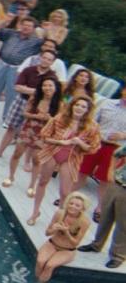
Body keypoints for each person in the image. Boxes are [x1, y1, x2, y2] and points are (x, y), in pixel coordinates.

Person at [28, 96, 101, 224]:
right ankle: (35, 212)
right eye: (77, 105)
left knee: (65, 192)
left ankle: (58, 219)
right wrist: (61, 142)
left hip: (71, 158)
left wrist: (79, 143)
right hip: (53, 152)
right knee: (43, 182)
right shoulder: (60, 118)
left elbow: (94, 148)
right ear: (72, 105)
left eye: (83, 106)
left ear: (88, 110)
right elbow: (44, 136)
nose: (79, 108)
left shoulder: (92, 126)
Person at [0, 50, 59, 159]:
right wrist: (38, 91)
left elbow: (51, 93)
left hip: (38, 105)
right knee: (11, 127)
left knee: (32, 133)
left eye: (49, 59)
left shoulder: (52, 77)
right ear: (40, 58)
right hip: (21, 100)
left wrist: (28, 89)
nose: (46, 61)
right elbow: (17, 87)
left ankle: (26, 161)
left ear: (52, 62)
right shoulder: (29, 70)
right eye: (44, 58)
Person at [76, 92, 126, 233]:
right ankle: (68, 197)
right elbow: (93, 120)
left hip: (115, 149)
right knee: (82, 171)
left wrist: (124, 135)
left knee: (105, 180)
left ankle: (99, 209)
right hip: (97, 142)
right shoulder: (107, 103)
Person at [25, 192, 91, 283]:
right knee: (40, 261)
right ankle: (39, 282)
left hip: (68, 250)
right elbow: (47, 233)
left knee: (50, 265)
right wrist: (54, 229)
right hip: (52, 243)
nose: (73, 207)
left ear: (82, 208)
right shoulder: (60, 214)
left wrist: (67, 232)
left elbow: (75, 243)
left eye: (77, 205)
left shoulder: (84, 222)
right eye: (71, 203)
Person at [2, 77, 60, 189]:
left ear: (55, 88)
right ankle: (11, 176)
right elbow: (25, 113)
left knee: (36, 160)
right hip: (28, 130)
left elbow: (60, 122)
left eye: (50, 85)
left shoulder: (59, 104)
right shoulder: (35, 98)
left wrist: (50, 119)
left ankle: (32, 184)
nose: (47, 88)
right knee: (17, 153)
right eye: (45, 85)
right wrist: (36, 116)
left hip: (43, 134)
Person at [0, 16, 42, 118]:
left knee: (12, 92)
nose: (26, 27)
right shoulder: (11, 33)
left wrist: (41, 31)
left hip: (17, 68)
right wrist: (3, 21)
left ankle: (7, 115)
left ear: (33, 29)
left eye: (29, 26)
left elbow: (49, 43)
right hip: (2, 63)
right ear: (20, 25)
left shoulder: (36, 42)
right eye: (24, 25)